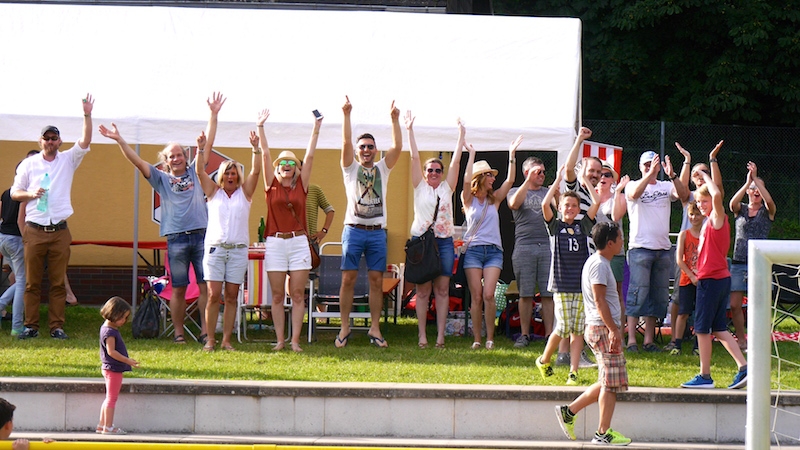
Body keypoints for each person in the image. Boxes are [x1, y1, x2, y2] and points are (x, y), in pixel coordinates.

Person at [99, 93, 223, 344]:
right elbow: (137, 162)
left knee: (205, 287)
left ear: (185, 157)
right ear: (166, 162)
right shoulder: (161, 179)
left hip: (201, 235)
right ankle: (178, 333)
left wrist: (213, 114)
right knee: (178, 288)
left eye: (179, 155)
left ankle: (204, 332)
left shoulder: (196, 172)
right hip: (176, 239)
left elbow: (207, 144)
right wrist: (120, 140)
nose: (176, 158)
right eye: (171, 156)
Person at [11, 94, 95, 340]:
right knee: (32, 283)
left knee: (58, 283)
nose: (50, 141)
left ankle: (57, 327)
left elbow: (85, 140)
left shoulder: (67, 160)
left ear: (59, 141)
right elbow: (15, 193)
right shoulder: (29, 165)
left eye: (54, 138)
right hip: (34, 229)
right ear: (40, 141)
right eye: (46, 138)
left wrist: (87, 114)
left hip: (59, 230)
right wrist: (31, 194)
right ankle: (31, 326)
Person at [554, 221, 631, 446]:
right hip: (602, 328)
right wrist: (614, 329)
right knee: (610, 384)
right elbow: (599, 301)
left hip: (601, 328)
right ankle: (602, 433)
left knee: (609, 380)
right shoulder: (599, 265)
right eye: (620, 237)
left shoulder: (599, 262)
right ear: (610, 243)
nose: (622, 241)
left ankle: (569, 412)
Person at [335, 96, 402, 349]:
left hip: (376, 233)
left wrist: (394, 120)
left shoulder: (382, 168)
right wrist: (346, 115)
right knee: (348, 280)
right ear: (357, 150)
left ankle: (375, 328)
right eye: (362, 146)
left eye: (370, 147)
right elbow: (345, 142)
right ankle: (344, 327)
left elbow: (397, 147)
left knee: (376, 281)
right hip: (353, 230)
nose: (366, 150)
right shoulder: (350, 168)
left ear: (375, 150)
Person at [196, 102, 261, 352]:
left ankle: (226, 340)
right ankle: (210, 339)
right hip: (215, 249)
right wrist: (201, 149)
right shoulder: (214, 192)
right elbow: (200, 171)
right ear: (221, 176)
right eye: (227, 173)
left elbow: (256, 172)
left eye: (234, 173)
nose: (231, 177)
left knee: (232, 296)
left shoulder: (245, 194)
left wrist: (255, 149)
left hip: (237, 251)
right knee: (214, 295)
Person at [259, 108, 322, 352]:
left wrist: (316, 128)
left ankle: (295, 341)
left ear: (296, 168)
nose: (286, 165)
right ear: (278, 168)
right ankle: (280, 340)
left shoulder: (302, 185)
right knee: (277, 295)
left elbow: (311, 155)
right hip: (275, 242)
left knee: (297, 294)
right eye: (282, 163)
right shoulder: (270, 184)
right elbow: (265, 154)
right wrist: (261, 127)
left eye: (291, 163)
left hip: (298, 243)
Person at [681, 172, 748, 389]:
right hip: (717, 279)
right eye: (698, 201)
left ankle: (705, 375)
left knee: (701, 329)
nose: (701, 205)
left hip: (711, 280)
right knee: (719, 328)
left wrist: (705, 176)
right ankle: (744, 367)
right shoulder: (709, 221)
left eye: (704, 201)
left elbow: (717, 194)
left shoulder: (717, 219)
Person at [405, 111, 465, 349]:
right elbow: (414, 157)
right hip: (421, 242)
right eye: (429, 170)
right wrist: (409, 130)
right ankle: (422, 335)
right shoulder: (419, 187)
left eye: (437, 170)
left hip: (444, 242)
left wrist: (461, 136)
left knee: (442, 289)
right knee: (422, 290)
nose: (433, 173)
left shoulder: (447, 189)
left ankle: (440, 336)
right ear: (424, 173)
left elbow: (456, 162)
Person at [536, 166, 599, 385]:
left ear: (579, 208)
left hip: (580, 285)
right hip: (561, 284)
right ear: (560, 207)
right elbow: (545, 205)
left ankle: (574, 371)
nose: (570, 208)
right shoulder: (555, 226)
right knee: (563, 326)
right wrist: (557, 180)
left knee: (578, 329)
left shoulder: (583, 226)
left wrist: (584, 180)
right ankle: (544, 360)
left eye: (574, 205)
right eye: (566, 205)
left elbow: (596, 202)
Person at [623, 150, 688, 352]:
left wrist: (673, 175)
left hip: (662, 249)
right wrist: (649, 175)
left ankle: (649, 340)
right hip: (640, 249)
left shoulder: (666, 186)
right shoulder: (632, 184)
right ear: (640, 167)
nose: (650, 167)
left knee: (657, 297)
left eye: (653, 164)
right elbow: (634, 195)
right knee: (637, 294)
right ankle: (631, 340)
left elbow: (683, 195)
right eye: (646, 164)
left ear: (659, 166)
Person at [662, 141, 724, 353]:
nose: (700, 175)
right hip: (687, 256)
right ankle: (676, 340)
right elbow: (680, 189)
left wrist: (712, 160)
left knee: (703, 304)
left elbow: (718, 189)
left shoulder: (712, 199)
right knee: (679, 300)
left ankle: (700, 341)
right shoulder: (689, 197)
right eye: (696, 173)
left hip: (707, 256)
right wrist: (686, 162)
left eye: (703, 172)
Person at [461, 136, 521, 350]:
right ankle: (477, 338)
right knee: (476, 296)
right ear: (480, 177)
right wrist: (471, 156)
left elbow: (510, 181)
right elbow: (466, 181)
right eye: (490, 175)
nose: (493, 179)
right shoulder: (468, 199)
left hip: (494, 251)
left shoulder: (494, 200)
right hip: (473, 251)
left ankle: (490, 338)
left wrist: (512, 154)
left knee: (489, 294)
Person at [728, 161, 776, 352]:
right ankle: (741, 340)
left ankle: (759, 340)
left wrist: (756, 179)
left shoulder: (767, 211)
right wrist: (748, 182)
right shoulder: (740, 209)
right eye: (753, 188)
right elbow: (732, 203)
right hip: (739, 263)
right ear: (748, 190)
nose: (756, 191)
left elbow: (769, 201)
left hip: (760, 264)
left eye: (759, 188)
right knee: (734, 305)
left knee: (759, 305)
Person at [508, 156, 554, 347]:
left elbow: (560, 209)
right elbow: (513, 204)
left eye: (543, 171)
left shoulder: (547, 192)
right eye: (538, 172)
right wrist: (527, 181)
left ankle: (550, 335)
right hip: (524, 246)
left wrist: (557, 191)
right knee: (525, 293)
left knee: (548, 293)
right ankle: (525, 334)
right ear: (527, 173)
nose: (542, 175)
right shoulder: (515, 191)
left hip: (547, 246)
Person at [97, 296, 139, 435]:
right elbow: (111, 351)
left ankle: (102, 425)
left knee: (108, 397)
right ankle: (108, 427)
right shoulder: (110, 332)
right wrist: (127, 360)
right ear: (113, 314)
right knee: (111, 398)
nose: (124, 321)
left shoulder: (107, 328)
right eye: (122, 317)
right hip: (113, 369)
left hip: (109, 368)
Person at [671, 202, 703, 356]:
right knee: (683, 312)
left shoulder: (706, 234)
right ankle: (677, 345)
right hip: (686, 279)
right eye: (691, 214)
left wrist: (700, 276)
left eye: (697, 214)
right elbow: (679, 259)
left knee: (700, 313)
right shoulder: (684, 234)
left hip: (702, 279)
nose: (694, 217)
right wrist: (691, 275)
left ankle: (698, 345)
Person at [306, 183, 335, 256]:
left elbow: (330, 210)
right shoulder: (282, 190)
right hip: (287, 241)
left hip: (310, 242)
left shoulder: (314, 190)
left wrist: (324, 231)